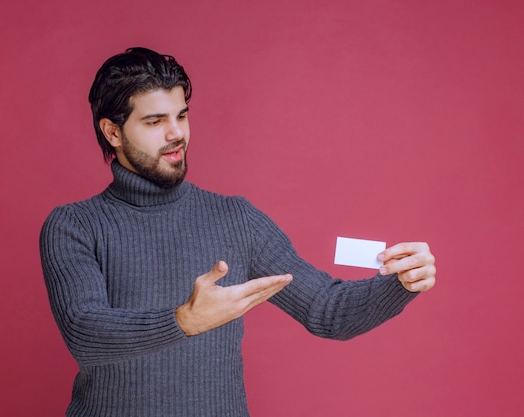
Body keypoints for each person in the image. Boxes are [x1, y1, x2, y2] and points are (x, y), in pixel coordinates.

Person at [39, 47, 436, 417]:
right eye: (155, 121)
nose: (176, 133)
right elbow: (85, 333)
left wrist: (400, 283)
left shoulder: (235, 218)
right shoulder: (74, 225)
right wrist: (185, 320)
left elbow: (327, 311)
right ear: (112, 132)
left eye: (182, 115)